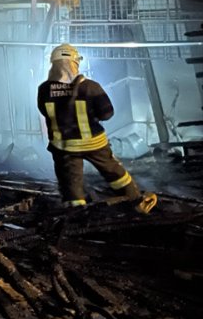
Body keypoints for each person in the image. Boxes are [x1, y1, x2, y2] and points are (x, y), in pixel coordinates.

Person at [37, 44, 156, 213]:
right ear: (75, 63)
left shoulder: (44, 89)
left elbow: (44, 111)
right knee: (114, 172)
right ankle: (136, 202)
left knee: (71, 182)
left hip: (64, 147)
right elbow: (107, 113)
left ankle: (77, 216)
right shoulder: (90, 87)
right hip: (94, 143)